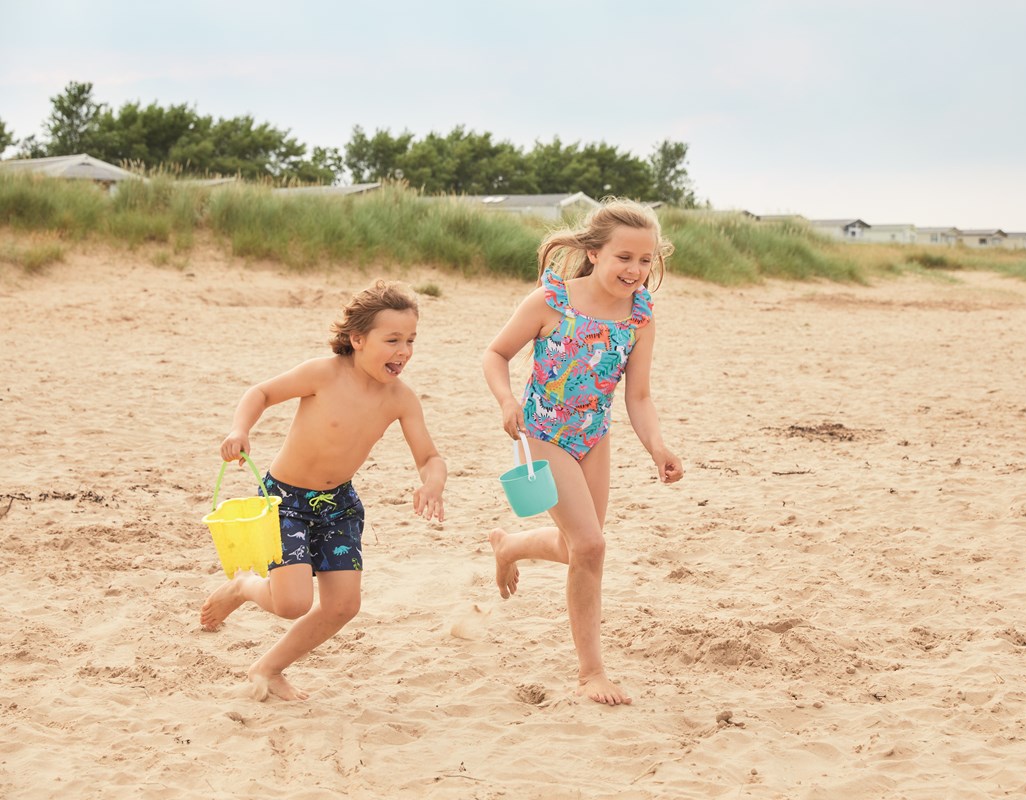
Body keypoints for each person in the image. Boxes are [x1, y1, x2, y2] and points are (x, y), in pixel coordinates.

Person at [200, 280, 447, 702]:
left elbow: (429, 455)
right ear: (357, 339)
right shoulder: (323, 374)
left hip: (339, 507)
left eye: (410, 340)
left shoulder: (401, 399)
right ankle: (243, 585)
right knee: (292, 602)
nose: (403, 351)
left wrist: (433, 482)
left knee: (342, 607)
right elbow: (260, 392)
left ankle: (269, 668)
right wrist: (240, 429)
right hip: (285, 502)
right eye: (392, 340)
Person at [482, 198, 684, 706]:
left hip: (594, 438)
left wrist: (657, 446)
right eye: (624, 257)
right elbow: (496, 354)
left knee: (579, 548)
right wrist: (507, 400)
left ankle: (510, 545)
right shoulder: (551, 301)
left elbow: (637, 396)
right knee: (591, 547)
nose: (636, 270)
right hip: (544, 433)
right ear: (594, 253)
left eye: (646, 260)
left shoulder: (640, 317)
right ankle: (590, 673)